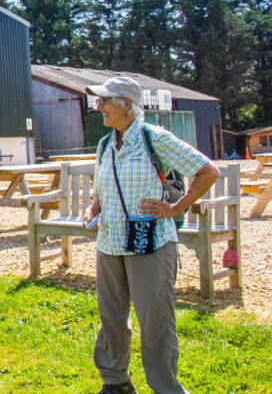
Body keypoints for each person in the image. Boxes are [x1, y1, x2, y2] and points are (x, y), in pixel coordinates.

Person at [83, 77, 219, 394]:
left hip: (152, 243)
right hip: (110, 243)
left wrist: (176, 207)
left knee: (155, 321)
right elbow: (100, 188)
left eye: (104, 100)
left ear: (127, 103)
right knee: (111, 317)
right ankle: (115, 383)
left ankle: (166, 388)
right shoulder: (105, 144)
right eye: (98, 101)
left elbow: (207, 171)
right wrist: (92, 209)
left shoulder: (154, 138)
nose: (99, 106)